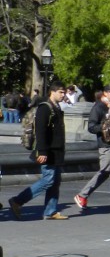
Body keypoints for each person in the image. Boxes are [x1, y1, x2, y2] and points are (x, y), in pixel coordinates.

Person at [9, 82, 68, 220]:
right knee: (48, 180)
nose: (63, 95)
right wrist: (42, 151)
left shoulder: (57, 107)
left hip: (56, 151)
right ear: (52, 92)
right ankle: (18, 201)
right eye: (61, 92)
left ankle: (50, 211)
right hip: (48, 151)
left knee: (55, 181)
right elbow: (40, 131)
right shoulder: (45, 108)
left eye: (64, 92)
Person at [74, 84, 110, 211]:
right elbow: (91, 127)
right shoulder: (99, 107)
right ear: (105, 93)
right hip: (105, 145)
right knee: (105, 171)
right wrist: (105, 127)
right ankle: (82, 195)